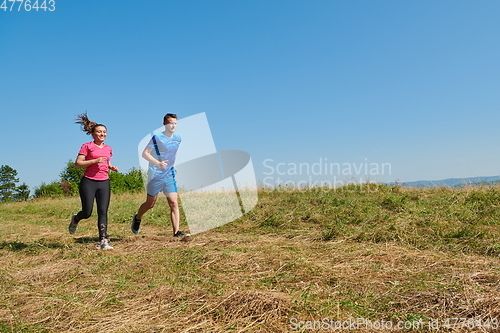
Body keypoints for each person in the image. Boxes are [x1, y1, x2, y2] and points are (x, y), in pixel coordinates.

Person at [131, 113, 189, 238]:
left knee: (173, 203)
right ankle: (137, 217)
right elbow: (145, 153)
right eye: (170, 123)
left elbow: (173, 153)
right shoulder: (157, 137)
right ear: (164, 124)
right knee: (150, 204)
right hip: (156, 175)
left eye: (174, 123)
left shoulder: (178, 138)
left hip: (169, 175)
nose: (172, 125)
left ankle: (176, 232)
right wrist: (158, 163)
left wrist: (173, 165)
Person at [68, 112, 119, 250]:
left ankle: (103, 240)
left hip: (104, 182)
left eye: (104, 132)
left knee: (103, 211)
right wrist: (95, 160)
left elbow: (105, 162)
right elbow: (78, 163)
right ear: (93, 133)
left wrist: (110, 166)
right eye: (99, 132)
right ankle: (76, 219)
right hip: (89, 182)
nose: (102, 134)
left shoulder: (109, 148)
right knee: (87, 212)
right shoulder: (87, 146)